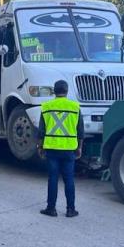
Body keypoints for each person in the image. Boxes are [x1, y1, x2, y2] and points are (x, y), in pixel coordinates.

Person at [37, 80, 84, 218]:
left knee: (52, 178)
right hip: (69, 149)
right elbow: (80, 131)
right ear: (67, 91)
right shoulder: (75, 107)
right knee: (69, 179)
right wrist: (79, 147)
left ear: (54, 91)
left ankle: (51, 209)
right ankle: (71, 209)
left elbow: (41, 131)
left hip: (51, 148)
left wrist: (40, 147)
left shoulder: (46, 107)